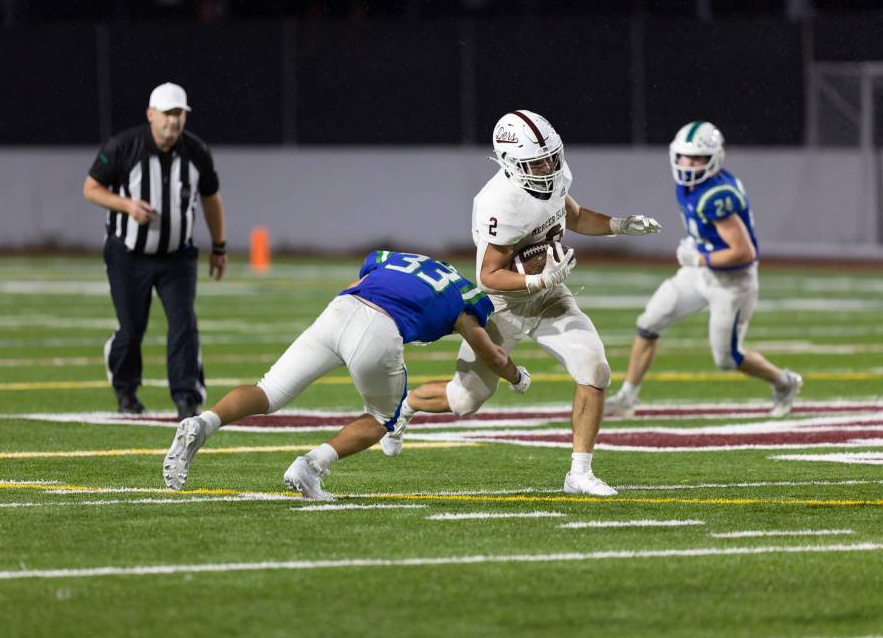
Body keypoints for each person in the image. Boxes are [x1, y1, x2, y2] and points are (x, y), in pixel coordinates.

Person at [380, 110, 662, 497]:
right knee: (463, 400)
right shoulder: (499, 202)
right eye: (536, 162)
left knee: (594, 371)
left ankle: (579, 473)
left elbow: (573, 215)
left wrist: (619, 225)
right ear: (510, 163)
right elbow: (488, 275)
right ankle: (405, 406)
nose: (548, 166)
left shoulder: (555, 174)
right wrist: (540, 277)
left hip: (549, 298)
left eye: (550, 156)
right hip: (502, 306)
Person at [162, 250, 531, 499]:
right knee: (382, 418)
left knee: (269, 390)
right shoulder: (467, 298)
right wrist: (517, 377)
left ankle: (205, 422)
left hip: (339, 310)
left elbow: (365, 279)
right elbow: (494, 356)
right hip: (379, 329)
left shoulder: (393, 259)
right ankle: (310, 466)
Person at [604, 121, 802, 418]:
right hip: (699, 273)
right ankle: (627, 397)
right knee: (649, 323)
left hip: (732, 281)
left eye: (697, 158)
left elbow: (743, 253)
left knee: (727, 358)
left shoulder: (717, 195)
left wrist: (698, 259)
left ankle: (784, 382)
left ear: (714, 159)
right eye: (684, 156)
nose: (689, 164)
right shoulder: (688, 185)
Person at [83, 82, 226, 421]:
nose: (173, 122)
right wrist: (126, 206)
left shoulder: (196, 152)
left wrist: (219, 246)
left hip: (177, 256)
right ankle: (126, 389)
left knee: (183, 323)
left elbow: (211, 198)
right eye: (167, 114)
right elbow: (91, 188)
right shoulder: (124, 146)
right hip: (128, 253)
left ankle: (186, 397)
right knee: (132, 328)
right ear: (151, 114)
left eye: (179, 114)